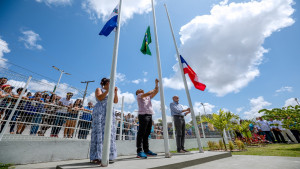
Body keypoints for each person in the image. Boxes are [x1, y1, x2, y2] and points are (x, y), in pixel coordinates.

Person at [90, 78, 118, 165]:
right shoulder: (99, 89)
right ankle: (97, 156)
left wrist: (115, 92)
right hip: (101, 110)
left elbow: (115, 101)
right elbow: (99, 98)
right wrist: (108, 91)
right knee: (99, 132)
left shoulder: (111, 91)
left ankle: (108, 155)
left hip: (109, 110)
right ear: (106, 83)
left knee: (109, 133)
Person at [135, 79, 159, 159]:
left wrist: (156, 84)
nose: (140, 89)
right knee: (141, 133)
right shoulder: (139, 96)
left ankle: (146, 150)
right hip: (143, 115)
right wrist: (153, 90)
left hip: (149, 115)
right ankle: (139, 151)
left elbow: (156, 92)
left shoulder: (148, 97)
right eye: (138, 89)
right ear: (137, 93)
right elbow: (149, 92)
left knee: (147, 133)